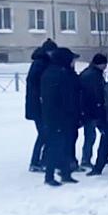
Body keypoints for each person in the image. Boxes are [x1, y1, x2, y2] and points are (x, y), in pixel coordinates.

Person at [41, 47, 81, 186]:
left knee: (66, 146)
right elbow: (62, 98)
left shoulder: (60, 73)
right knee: (56, 146)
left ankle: (65, 173)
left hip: (63, 117)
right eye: (72, 60)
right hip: (58, 117)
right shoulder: (57, 74)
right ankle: (49, 176)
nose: (73, 62)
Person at [25, 38, 58, 172]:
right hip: (39, 106)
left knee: (45, 134)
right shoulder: (40, 64)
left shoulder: (41, 63)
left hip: (38, 105)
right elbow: (38, 85)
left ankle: (42, 160)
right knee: (44, 134)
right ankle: (36, 162)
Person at [79, 53, 108, 168]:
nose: (105, 66)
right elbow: (95, 94)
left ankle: (101, 156)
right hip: (92, 109)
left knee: (96, 134)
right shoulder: (92, 75)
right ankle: (86, 159)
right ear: (99, 64)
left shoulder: (92, 73)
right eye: (104, 64)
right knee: (91, 135)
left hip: (93, 109)